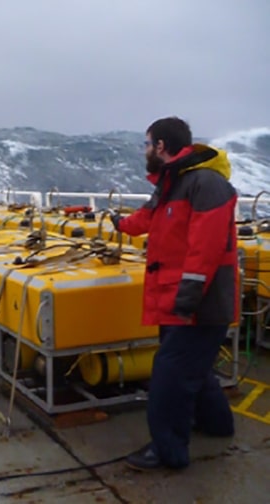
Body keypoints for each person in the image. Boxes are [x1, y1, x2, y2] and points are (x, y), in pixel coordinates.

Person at [109, 116, 238, 471]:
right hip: (175, 300)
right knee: (193, 369)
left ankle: (168, 452)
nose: (145, 150)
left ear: (161, 146)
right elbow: (147, 218)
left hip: (197, 305)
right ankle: (216, 424)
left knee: (169, 375)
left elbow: (206, 251)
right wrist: (118, 224)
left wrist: (187, 301)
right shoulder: (172, 183)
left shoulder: (206, 184)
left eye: (147, 144)